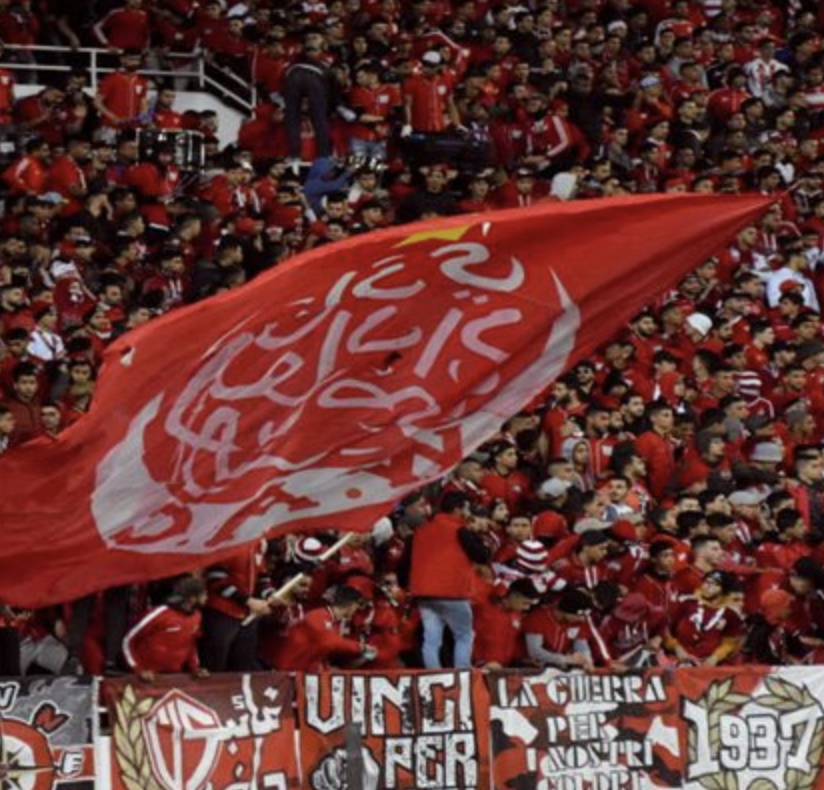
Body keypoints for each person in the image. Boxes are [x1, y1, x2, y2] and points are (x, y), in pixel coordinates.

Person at [408, 491, 488, 669]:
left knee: (431, 638)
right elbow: (482, 556)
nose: (469, 513)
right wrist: (477, 534)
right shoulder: (460, 530)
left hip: (423, 593)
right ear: (458, 509)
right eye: (467, 508)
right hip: (452, 593)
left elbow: (407, 561)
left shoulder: (420, 530)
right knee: (464, 635)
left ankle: (432, 674)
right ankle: (462, 673)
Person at [270, 585, 375, 671]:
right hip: (286, 672)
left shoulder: (332, 621)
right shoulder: (318, 616)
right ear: (351, 605)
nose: (356, 611)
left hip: (301, 671)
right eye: (356, 607)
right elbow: (330, 642)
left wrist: (325, 668)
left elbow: (320, 650)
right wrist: (361, 647)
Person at [122, 577, 209, 681]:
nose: (207, 598)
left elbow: (190, 643)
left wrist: (195, 668)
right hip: (146, 678)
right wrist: (138, 669)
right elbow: (128, 640)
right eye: (204, 594)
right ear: (192, 598)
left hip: (173, 676)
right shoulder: (158, 614)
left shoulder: (197, 616)